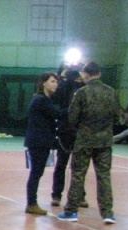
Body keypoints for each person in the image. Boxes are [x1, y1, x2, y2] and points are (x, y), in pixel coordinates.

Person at [57, 62, 119, 224]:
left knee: (78, 175)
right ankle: (108, 213)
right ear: (99, 73)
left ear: (85, 74)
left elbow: (72, 118)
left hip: (84, 140)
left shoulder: (81, 93)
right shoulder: (111, 92)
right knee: (104, 176)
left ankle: (71, 212)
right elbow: (117, 117)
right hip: (105, 141)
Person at [23, 71, 62, 215]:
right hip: (38, 142)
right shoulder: (41, 100)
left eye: (56, 82)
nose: (55, 84)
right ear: (43, 83)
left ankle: (32, 203)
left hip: (40, 141)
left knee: (37, 173)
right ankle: (31, 203)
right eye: (52, 81)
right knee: (36, 173)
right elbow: (57, 114)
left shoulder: (44, 100)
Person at [50, 66, 84, 208]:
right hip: (66, 131)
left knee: (75, 166)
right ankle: (58, 195)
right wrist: (63, 78)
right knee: (65, 165)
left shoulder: (82, 89)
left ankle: (77, 196)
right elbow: (56, 98)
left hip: (76, 131)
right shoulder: (64, 87)